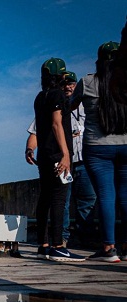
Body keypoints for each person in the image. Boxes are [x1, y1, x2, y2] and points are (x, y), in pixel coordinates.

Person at [26, 71, 97, 247]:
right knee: (61, 201)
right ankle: (61, 241)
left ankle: (85, 239)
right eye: (65, 83)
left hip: (84, 160)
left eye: (72, 84)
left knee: (87, 201)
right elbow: (39, 130)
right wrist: (30, 148)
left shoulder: (86, 106)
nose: (68, 87)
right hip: (64, 158)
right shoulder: (52, 101)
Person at [71, 40, 127, 262]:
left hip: (98, 147)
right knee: (125, 196)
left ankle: (108, 249)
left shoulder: (87, 82)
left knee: (106, 196)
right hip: (125, 145)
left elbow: (69, 107)